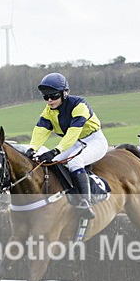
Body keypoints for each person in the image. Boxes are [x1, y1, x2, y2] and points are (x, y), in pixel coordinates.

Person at [26, 72, 107, 220]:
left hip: (94, 140)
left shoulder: (79, 105)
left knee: (75, 161)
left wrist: (56, 150)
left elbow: (73, 133)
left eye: (53, 96)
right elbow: (41, 130)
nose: (49, 100)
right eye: (46, 97)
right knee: (49, 162)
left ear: (65, 93)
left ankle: (85, 202)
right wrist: (32, 149)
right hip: (75, 143)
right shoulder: (48, 111)